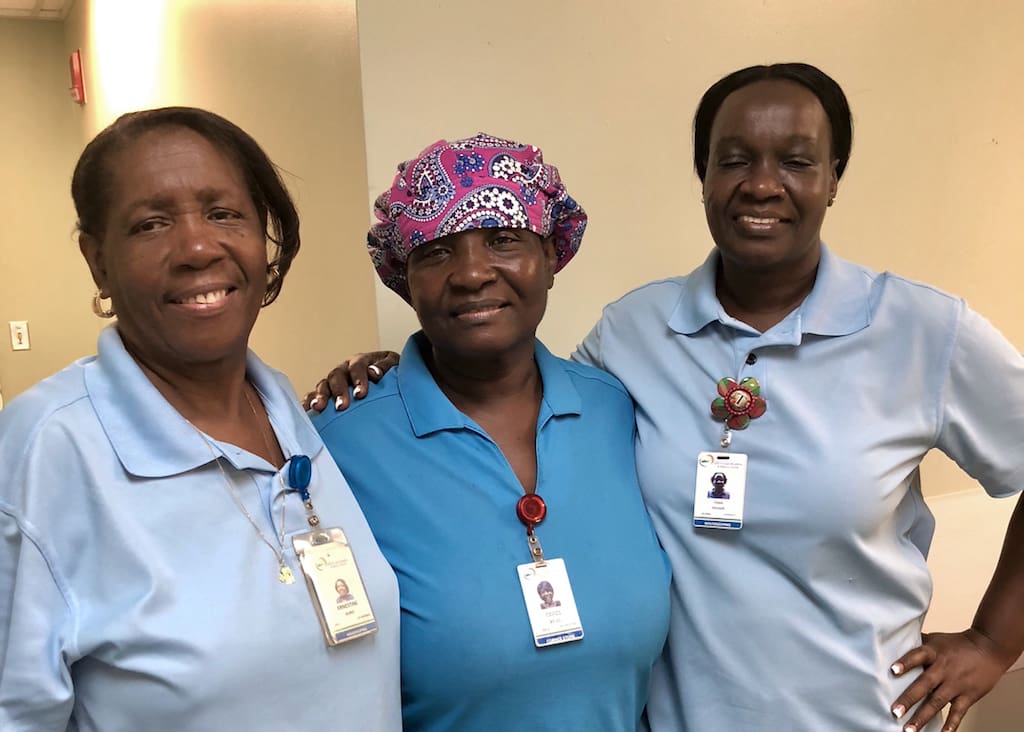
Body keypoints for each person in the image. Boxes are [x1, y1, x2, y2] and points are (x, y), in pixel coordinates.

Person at [308, 64, 1024, 732]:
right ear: (704, 175)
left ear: (834, 178)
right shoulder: (633, 334)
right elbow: (507, 376)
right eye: (735, 159)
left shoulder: (924, 332)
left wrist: (992, 642)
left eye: (798, 161)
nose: (763, 185)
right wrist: (385, 377)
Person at [0, 107, 402, 731]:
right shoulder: (45, 451)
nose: (196, 247)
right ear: (98, 260)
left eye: (223, 214)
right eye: (151, 223)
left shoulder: (300, 426)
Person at [312, 134, 671, 732]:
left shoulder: (615, 409)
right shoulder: (340, 443)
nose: (473, 272)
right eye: (436, 251)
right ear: (405, 276)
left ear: (551, 255)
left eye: (503, 239)